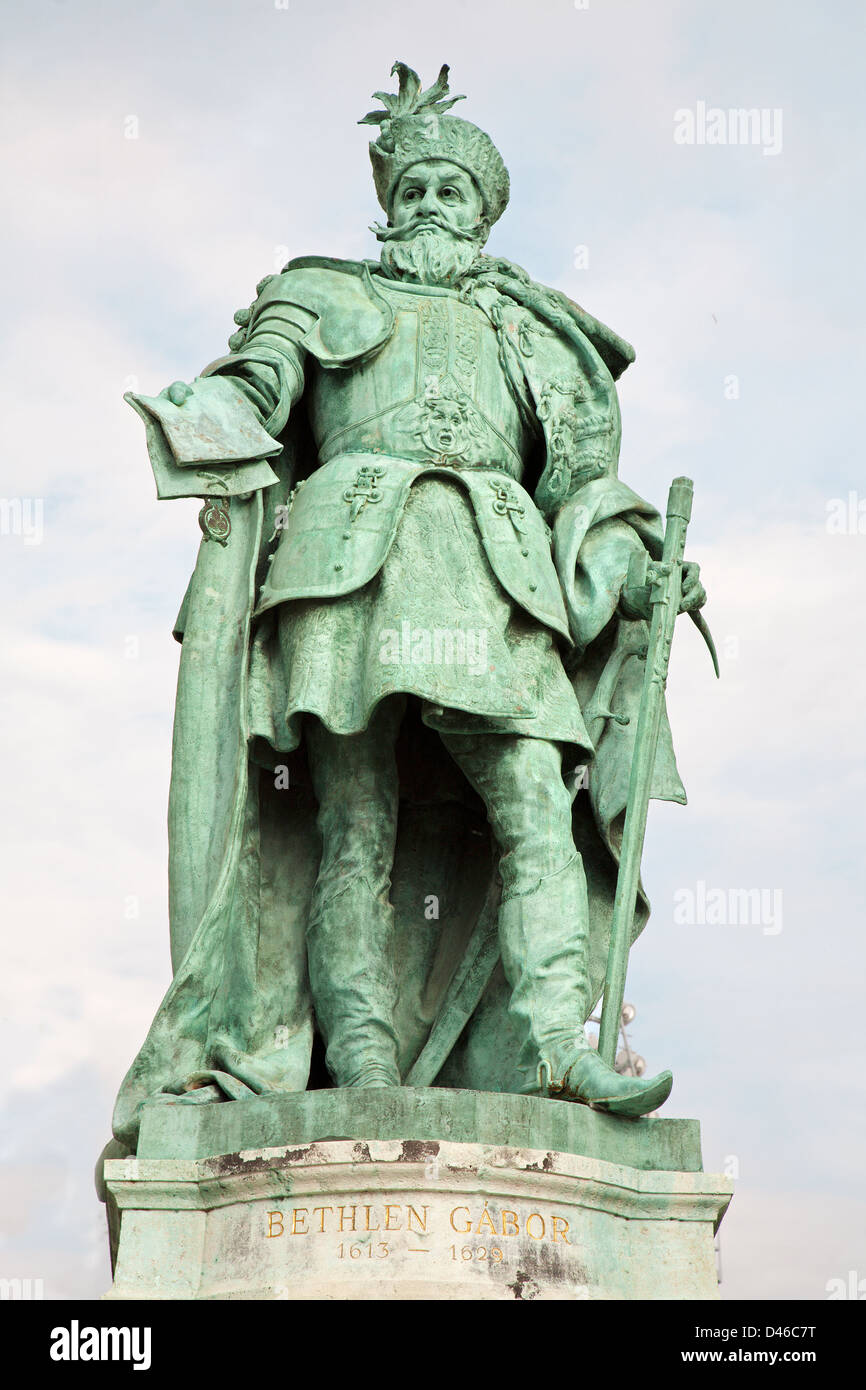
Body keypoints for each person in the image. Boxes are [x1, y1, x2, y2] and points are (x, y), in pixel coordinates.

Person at [113, 62, 706, 1150]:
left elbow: (579, 483)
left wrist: (632, 568)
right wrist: (204, 413)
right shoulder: (321, 290)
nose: (429, 205)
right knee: (352, 823)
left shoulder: (539, 337)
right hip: (345, 565)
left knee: (534, 798)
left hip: (501, 578)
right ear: (388, 206)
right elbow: (255, 386)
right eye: (413, 188)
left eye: (451, 191)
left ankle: (550, 1045)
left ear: (483, 213)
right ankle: (363, 1060)